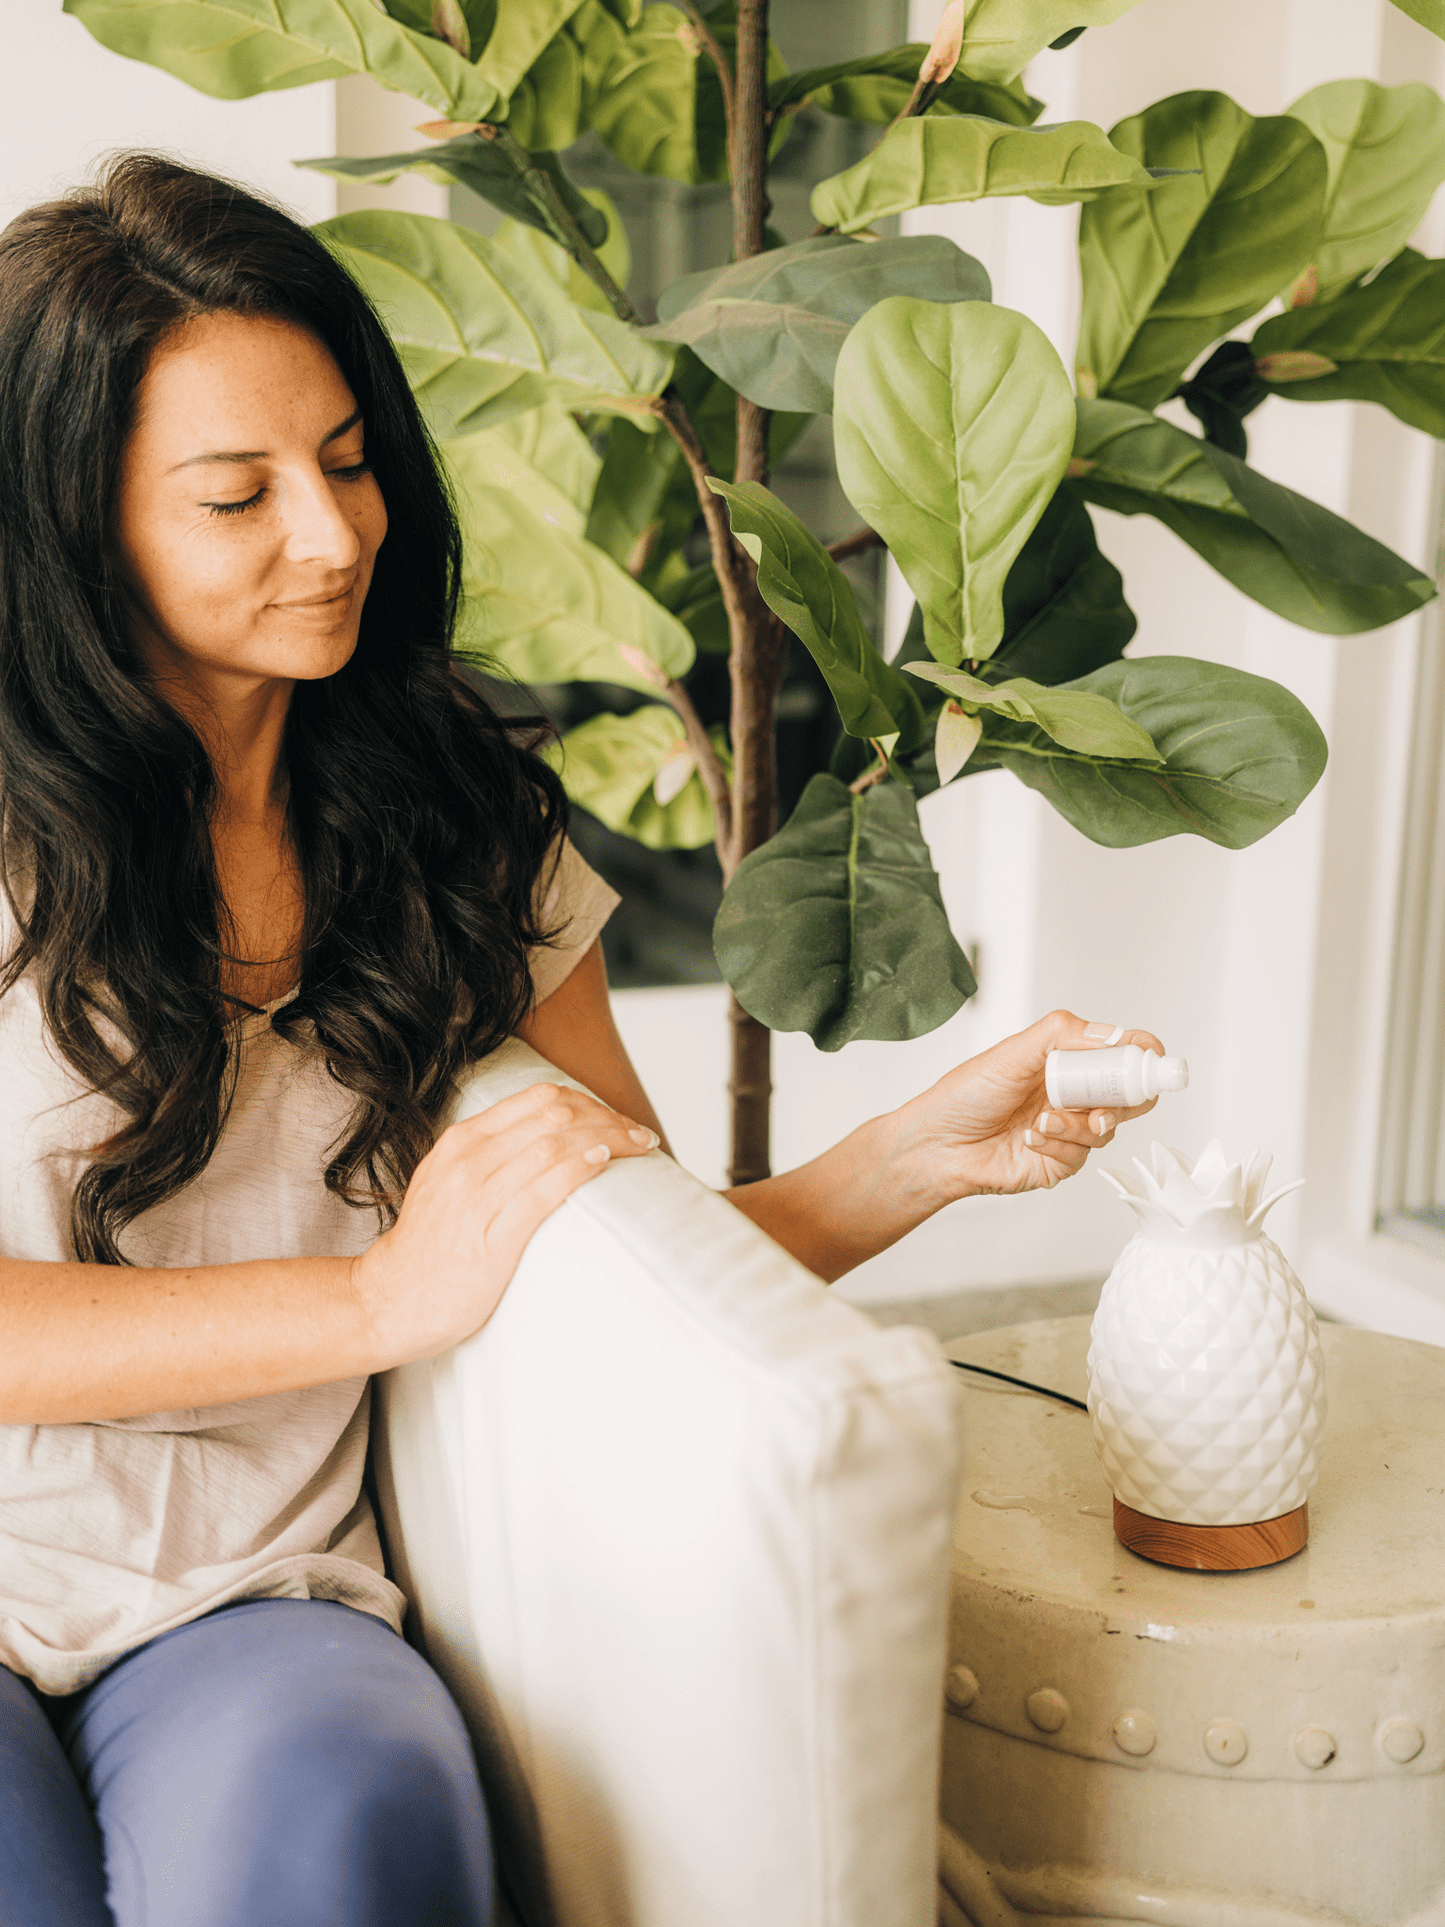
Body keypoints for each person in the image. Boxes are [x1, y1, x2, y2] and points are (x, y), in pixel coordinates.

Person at [0, 154, 1163, 1927]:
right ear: (74, 529)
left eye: (346, 459)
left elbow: (608, 1271)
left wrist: (916, 1156)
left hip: (258, 1596)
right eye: (238, 495)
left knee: (347, 1823)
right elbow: (424, 1286)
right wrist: (378, 1303)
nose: (333, 535)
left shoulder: (458, 826)